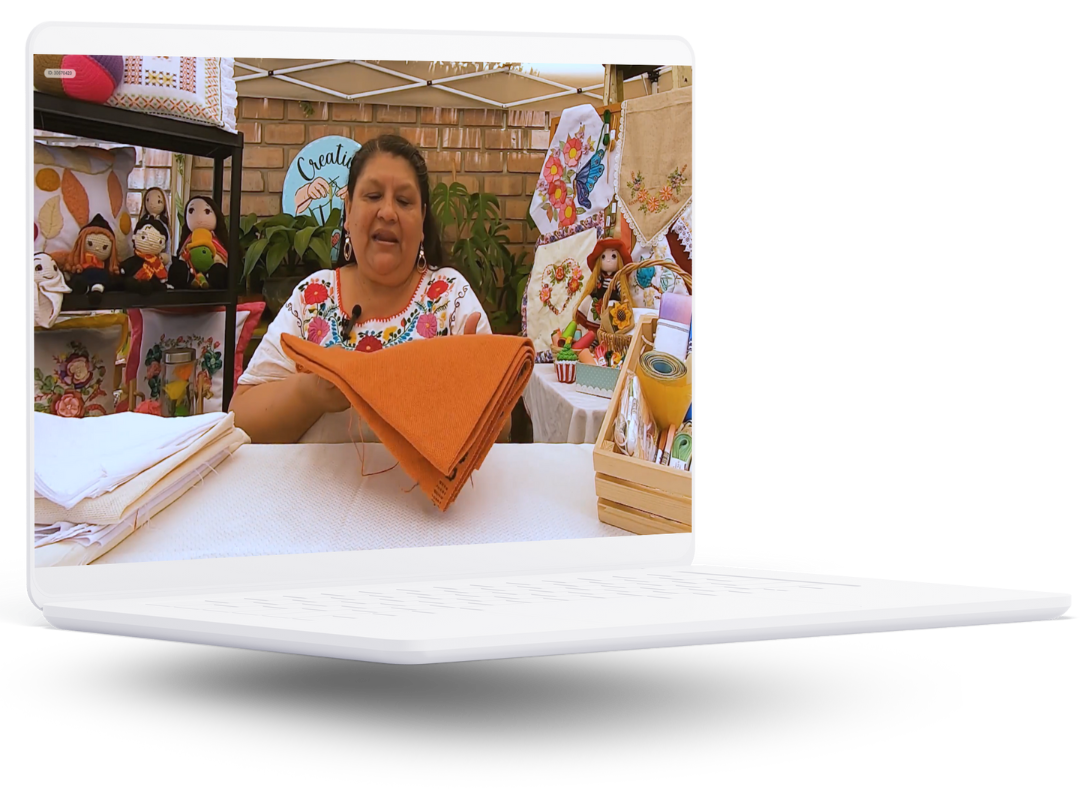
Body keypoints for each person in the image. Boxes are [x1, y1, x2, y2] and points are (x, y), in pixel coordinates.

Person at [230, 135, 509, 445]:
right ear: (348, 211)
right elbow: (241, 421)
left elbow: (502, 429)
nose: (387, 212)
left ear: (422, 221)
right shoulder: (313, 296)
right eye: (373, 196)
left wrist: (469, 391)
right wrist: (311, 393)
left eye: (404, 201)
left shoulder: (450, 296)